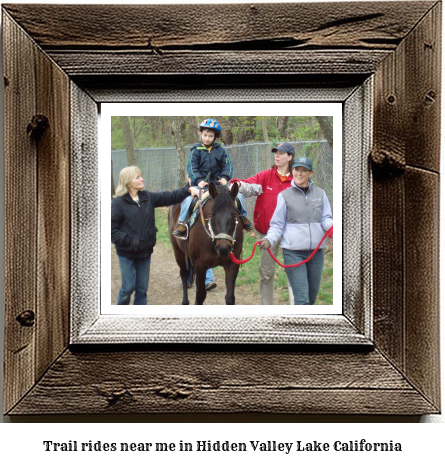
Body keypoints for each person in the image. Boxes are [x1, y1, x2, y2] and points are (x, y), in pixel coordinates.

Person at [111, 165, 199, 305]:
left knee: (142, 289)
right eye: (138, 177)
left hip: (144, 253)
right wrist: (130, 242)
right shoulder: (118, 203)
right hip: (126, 253)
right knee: (127, 288)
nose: (142, 179)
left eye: (140, 176)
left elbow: (169, 196)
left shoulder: (147, 197)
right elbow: (112, 230)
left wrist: (188, 189)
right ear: (128, 183)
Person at [260, 156, 333, 305]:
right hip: (293, 253)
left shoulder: (320, 194)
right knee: (302, 298)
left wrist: (333, 226)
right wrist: (269, 239)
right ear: (293, 171)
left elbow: (325, 218)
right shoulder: (285, 196)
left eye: (303, 170)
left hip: (316, 253)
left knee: (311, 298)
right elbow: (277, 225)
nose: (299, 173)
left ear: (310, 173)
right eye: (296, 170)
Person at [231, 142, 296, 305]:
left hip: (292, 233)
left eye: (281, 153)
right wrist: (238, 185)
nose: (277, 156)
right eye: (276, 152)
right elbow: (249, 186)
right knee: (266, 272)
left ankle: (298, 307)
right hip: (268, 233)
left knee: (295, 273)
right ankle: (267, 308)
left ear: (290, 157)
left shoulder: (297, 179)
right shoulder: (266, 176)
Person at [172, 118, 253, 240]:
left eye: (210, 136)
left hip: (218, 186)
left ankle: (244, 218)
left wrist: (225, 178)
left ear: (215, 137)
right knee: (188, 200)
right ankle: (182, 223)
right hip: (200, 185)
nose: (207, 138)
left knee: (239, 197)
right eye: (205, 135)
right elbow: (192, 167)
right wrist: (198, 180)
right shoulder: (196, 151)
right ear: (201, 134)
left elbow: (228, 165)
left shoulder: (220, 151)